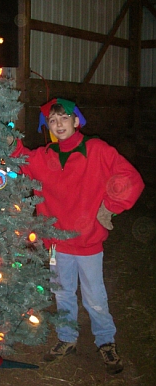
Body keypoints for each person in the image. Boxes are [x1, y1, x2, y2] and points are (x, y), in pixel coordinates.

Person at [10, 98, 145, 375]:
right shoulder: (44, 157)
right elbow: (19, 156)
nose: (58, 125)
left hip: (87, 242)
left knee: (95, 296)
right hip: (56, 244)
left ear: (76, 121)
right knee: (62, 293)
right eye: (53, 121)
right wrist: (2, 132)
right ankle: (67, 338)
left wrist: (110, 205)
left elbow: (130, 178)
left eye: (64, 119)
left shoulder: (96, 150)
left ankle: (106, 341)